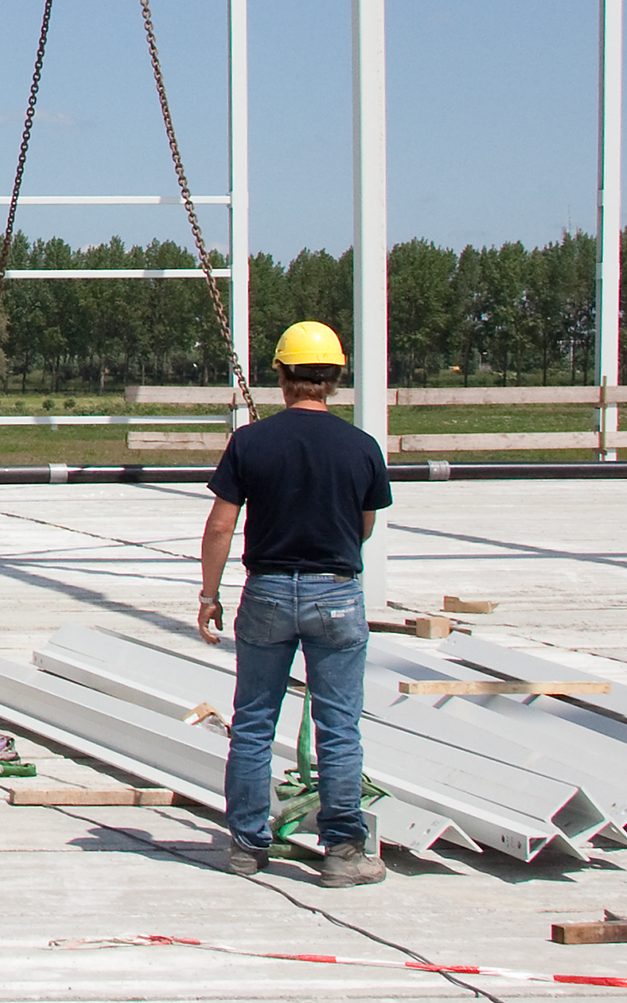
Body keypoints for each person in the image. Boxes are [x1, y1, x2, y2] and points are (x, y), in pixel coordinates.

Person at [199, 319, 394, 886]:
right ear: (334, 377)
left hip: (266, 591)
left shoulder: (251, 442)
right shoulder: (361, 447)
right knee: (339, 727)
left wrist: (210, 594)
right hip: (335, 591)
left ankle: (246, 845)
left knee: (255, 721)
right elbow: (364, 524)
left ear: (281, 376)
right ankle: (341, 852)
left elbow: (219, 526)